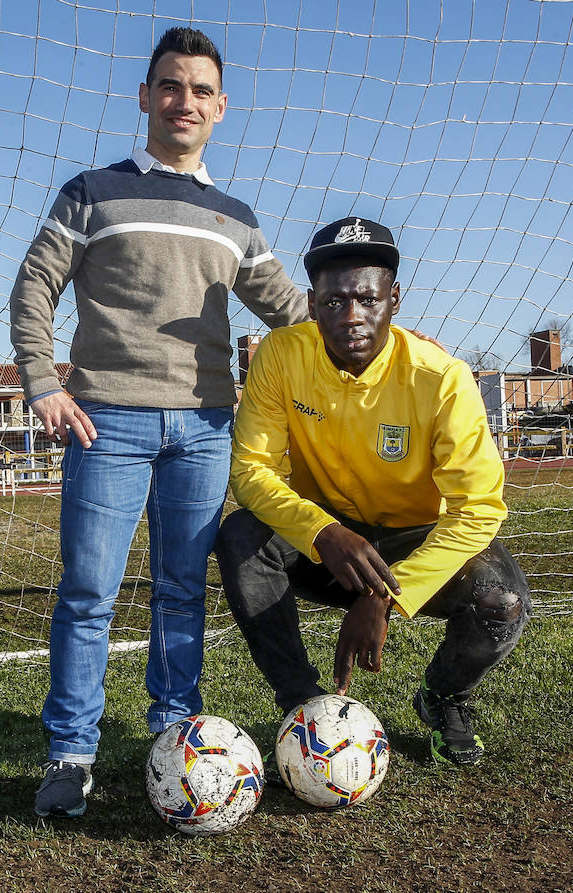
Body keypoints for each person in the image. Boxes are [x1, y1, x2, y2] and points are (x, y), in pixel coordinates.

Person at [9, 27, 307, 818]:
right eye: (170, 85)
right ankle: (71, 752)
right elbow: (34, 286)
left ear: (221, 107)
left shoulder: (236, 218)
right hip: (105, 422)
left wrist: (389, 340)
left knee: (181, 591)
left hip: (206, 428)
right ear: (144, 96)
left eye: (201, 90)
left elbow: (293, 313)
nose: (185, 101)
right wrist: (43, 380)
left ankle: (175, 736)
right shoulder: (91, 192)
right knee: (87, 594)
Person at [214, 216, 531, 767]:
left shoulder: (442, 378)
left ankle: (445, 698)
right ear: (311, 305)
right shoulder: (281, 357)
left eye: (367, 299)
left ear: (395, 298)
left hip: (414, 541)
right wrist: (322, 530)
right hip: (329, 546)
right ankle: (303, 711)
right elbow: (251, 471)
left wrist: (386, 593)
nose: (351, 317)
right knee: (242, 537)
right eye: (334, 302)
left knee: (500, 603)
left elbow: (478, 509)